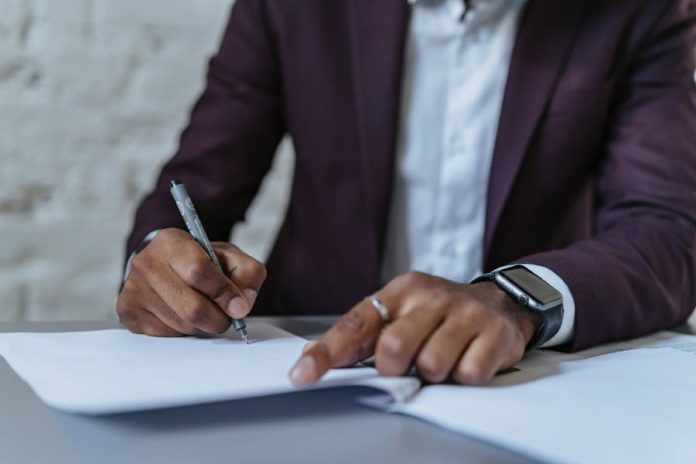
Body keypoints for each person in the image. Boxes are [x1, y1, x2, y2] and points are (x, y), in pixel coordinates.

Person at [117, 0, 696, 387]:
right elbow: (196, 184)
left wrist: (517, 301)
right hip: (307, 375)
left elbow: (668, 228)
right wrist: (162, 260)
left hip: (524, 382)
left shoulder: (642, 10)